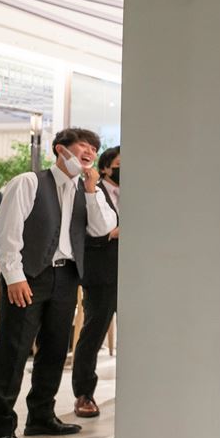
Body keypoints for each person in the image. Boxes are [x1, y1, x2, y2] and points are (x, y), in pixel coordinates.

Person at [0, 128, 117, 438]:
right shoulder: (29, 182)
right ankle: (0, 429)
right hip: (30, 276)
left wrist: (91, 190)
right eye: (83, 146)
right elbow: (8, 232)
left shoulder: (87, 190)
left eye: (94, 148)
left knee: (55, 350)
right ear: (61, 150)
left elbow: (102, 228)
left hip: (68, 276)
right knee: (13, 351)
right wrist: (14, 276)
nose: (90, 152)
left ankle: (41, 416)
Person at [72, 146, 121, 418]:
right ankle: (84, 393)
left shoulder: (139, 193)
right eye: (119, 165)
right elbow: (80, 232)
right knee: (93, 334)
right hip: (102, 274)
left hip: (136, 275)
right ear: (105, 168)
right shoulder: (90, 191)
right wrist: (109, 235)